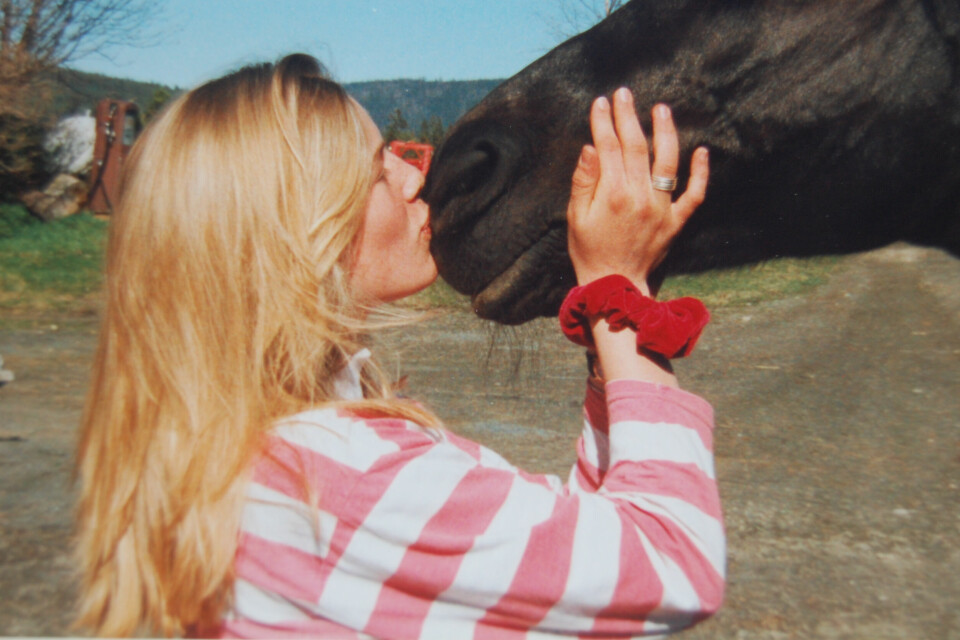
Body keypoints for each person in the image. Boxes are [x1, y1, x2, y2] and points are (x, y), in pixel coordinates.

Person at [75, 53, 723, 639]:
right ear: (290, 235)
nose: (414, 178)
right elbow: (669, 563)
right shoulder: (338, 476)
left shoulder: (247, 452)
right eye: (375, 171)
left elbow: (576, 573)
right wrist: (618, 288)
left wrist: (612, 344)